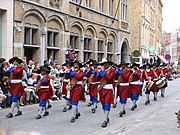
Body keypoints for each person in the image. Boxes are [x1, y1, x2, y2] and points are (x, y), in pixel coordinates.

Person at [97, 58, 115, 128]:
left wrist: (103, 72)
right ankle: (106, 116)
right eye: (104, 64)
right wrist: (98, 74)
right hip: (102, 89)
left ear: (109, 64)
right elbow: (97, 79)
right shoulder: (102, 70)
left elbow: (109, 78)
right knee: (103, 104)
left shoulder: (112, 70)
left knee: (107, 103)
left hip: (108, 89)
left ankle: (105, 120)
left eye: (106, 64)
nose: (105, 65)